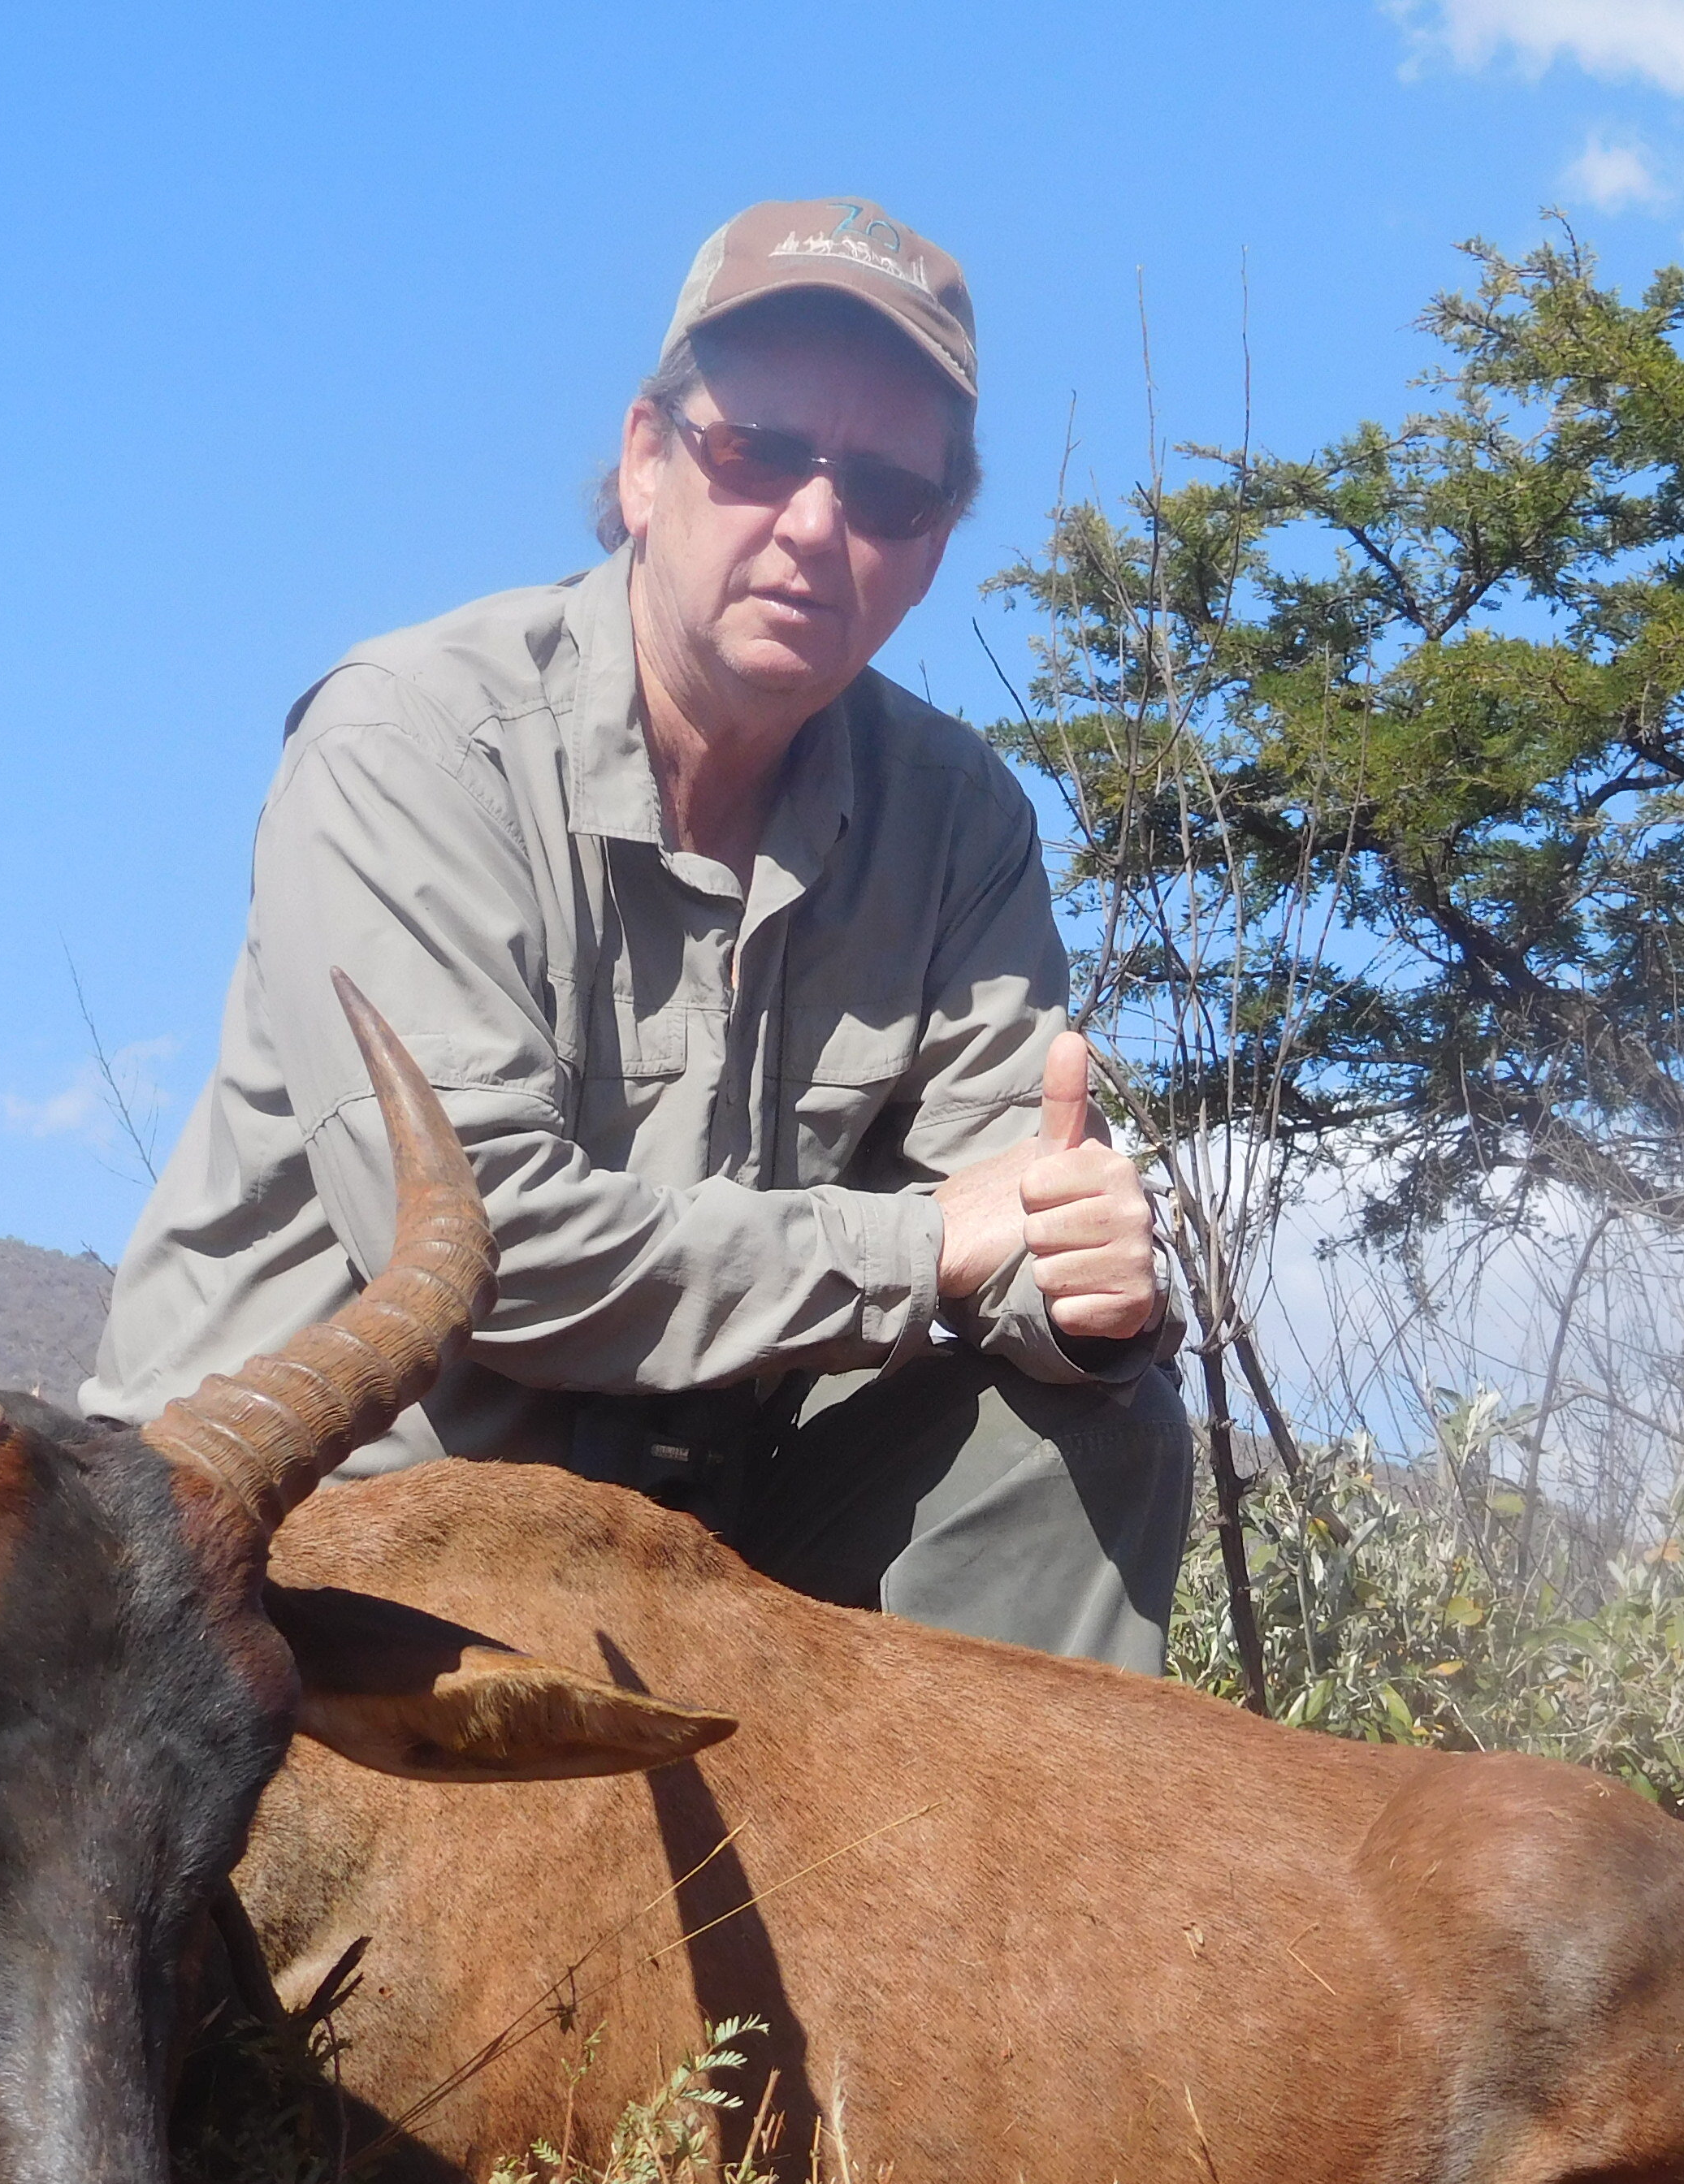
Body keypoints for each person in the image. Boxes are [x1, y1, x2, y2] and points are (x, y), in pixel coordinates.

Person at [82, 198, 1193, 1671]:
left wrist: (1083, 1285)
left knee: (1094, 1415)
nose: (813, 524)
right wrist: (929, 1245)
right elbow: (479, 1259)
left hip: (691, 1532)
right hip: (321, 1517)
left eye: (884, 491)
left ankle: (984, 1893)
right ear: (647, 462)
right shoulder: (411, 739)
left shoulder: (962, 824)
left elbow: (1010, 1224)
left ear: (930, 551)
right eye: (759, 455)